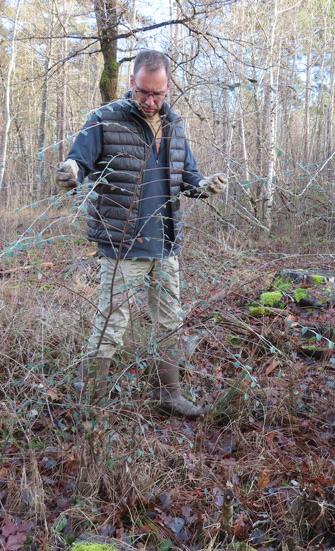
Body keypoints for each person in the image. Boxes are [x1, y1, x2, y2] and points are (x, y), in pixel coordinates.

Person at [54, 49, 227, 418]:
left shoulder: (175, 126)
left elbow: (187, 178)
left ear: (168, 88)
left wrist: (206, 185)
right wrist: (69, 170)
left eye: (158, 94)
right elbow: (78, 161)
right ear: (131, 83)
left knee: (169, 322)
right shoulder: (104, 120)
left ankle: (170, 396)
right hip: (122, 245)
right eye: (143, 92)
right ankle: (92, 407)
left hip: (165, 245)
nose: (150, 101)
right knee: (111, 325)